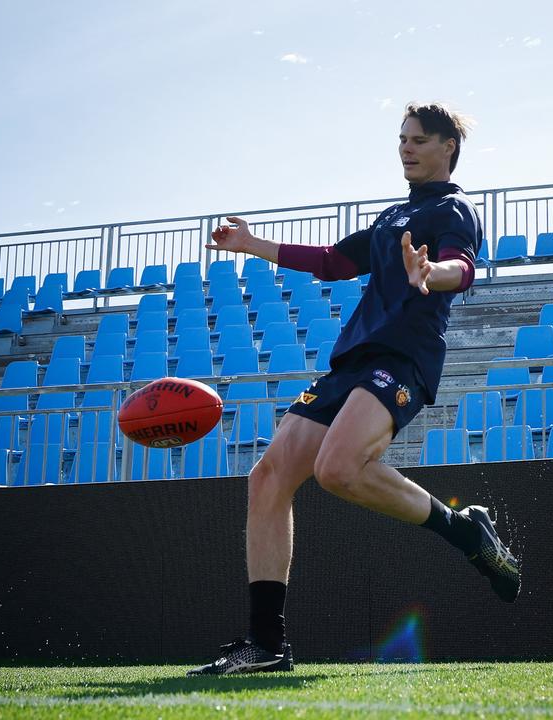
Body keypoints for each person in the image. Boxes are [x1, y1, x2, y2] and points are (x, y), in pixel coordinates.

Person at [188, 103, 520, 676]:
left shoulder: (454, 209)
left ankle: (465, 532)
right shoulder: (395, 215)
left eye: (418, 140)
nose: (405, 148)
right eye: (401, 139)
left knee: (338, 470)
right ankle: (265, 644)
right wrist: (253, 245)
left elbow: (460, 267)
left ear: (448, 147)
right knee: (267, 477)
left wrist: (429, 275)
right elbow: (335, 261)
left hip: (404, 359)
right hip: (352, 361)